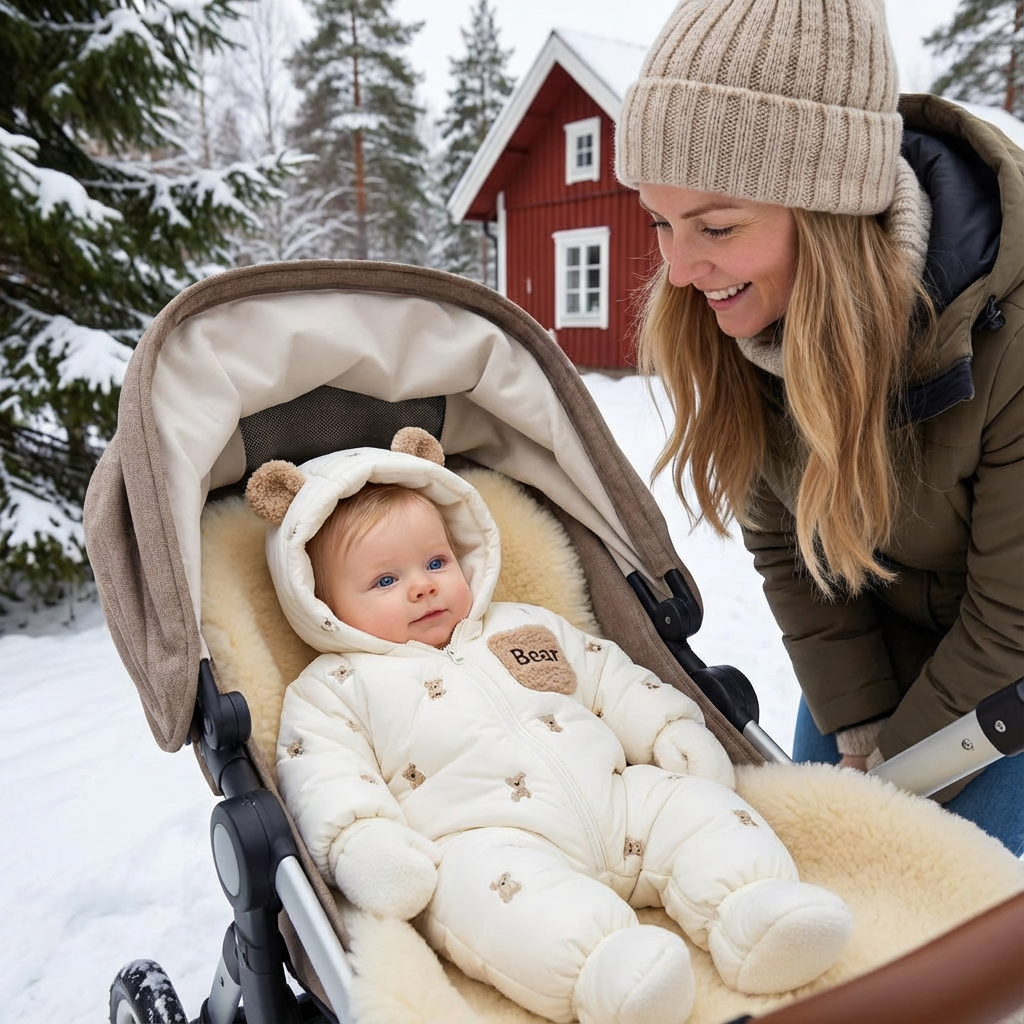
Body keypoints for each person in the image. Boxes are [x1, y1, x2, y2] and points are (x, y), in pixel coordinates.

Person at [245, 427, 853, 1024]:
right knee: (486, 898)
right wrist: (364, 841)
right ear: (321, 603)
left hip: (617, 799)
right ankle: (606, 969)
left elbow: (608, 677)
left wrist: (666, 727)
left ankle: (754, 911)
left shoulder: (522, 625)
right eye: (385, 580)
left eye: (436, 561)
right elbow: (325, 775)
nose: (423, 585)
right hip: (490, 843)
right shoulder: (334, 688)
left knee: (698, 809)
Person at [614, 0, 1023, 854]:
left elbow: (1011, 620)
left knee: (942, 904)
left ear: (833, 212)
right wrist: (860, 725)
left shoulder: (1012, 339)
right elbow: (789, 546)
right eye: (660, 222)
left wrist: (891, 779)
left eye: (715, 227)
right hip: (889, 633)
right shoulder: (743, 321)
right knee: (806, 865)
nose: (679, 271)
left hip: (1011, 664)